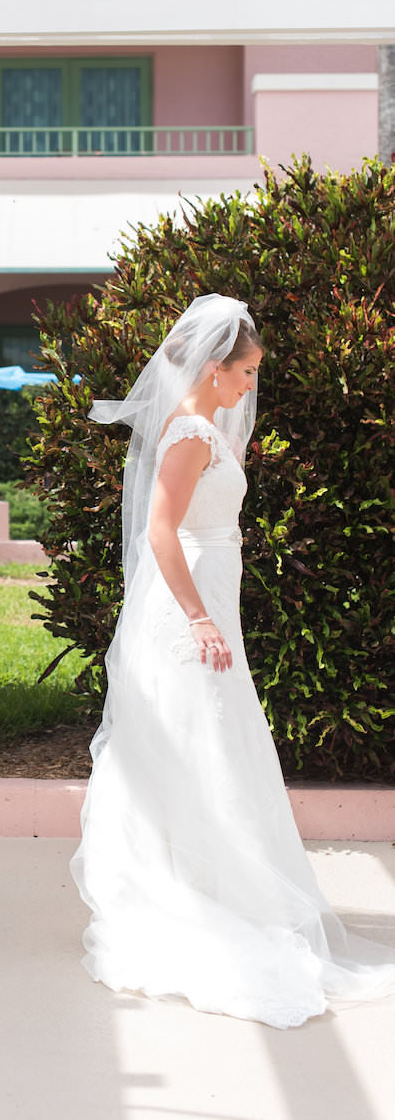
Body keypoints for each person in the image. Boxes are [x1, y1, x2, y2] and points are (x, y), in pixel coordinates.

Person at [71, 293, 395, 1028]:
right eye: (246, 372)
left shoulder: (207, 424)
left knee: (209, 740)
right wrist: (199, 618)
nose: (252, 385)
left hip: (212, 596)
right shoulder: (189, 430)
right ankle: (193, 891)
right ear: (215, 368)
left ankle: (210, 879)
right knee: (199, 740)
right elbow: (160, 532)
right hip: (190, 609)